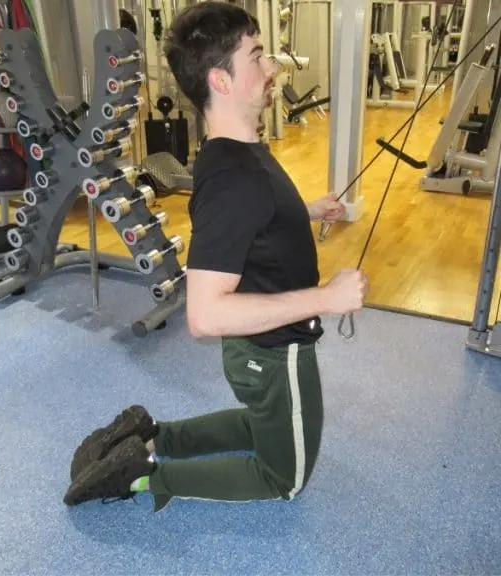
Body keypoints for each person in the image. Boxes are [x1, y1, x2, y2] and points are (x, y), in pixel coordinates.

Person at [63, 3, 367, 511]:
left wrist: (303, 211)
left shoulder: (235, 151)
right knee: (281, 476)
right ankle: (142, 479)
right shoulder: (235, 180)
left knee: (261, 421)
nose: (273, 70)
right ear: (221, 81)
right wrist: (327, 298)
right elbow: (204, 317)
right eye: (258, 57)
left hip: (257, 350)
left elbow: (253, 217)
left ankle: (152, 434)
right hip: (274, 351)